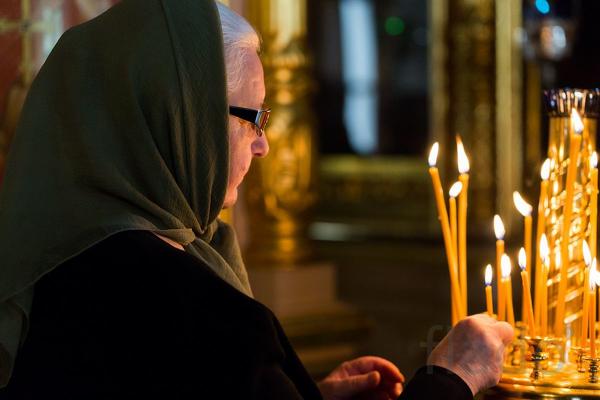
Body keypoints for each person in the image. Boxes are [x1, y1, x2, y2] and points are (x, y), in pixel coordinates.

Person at [0, 0, 513, 398]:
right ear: (183, 121)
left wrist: (299, 393)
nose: (264, 144)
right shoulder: (194, 307)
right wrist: (454, 376)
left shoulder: (52, 267)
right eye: (255, 117)